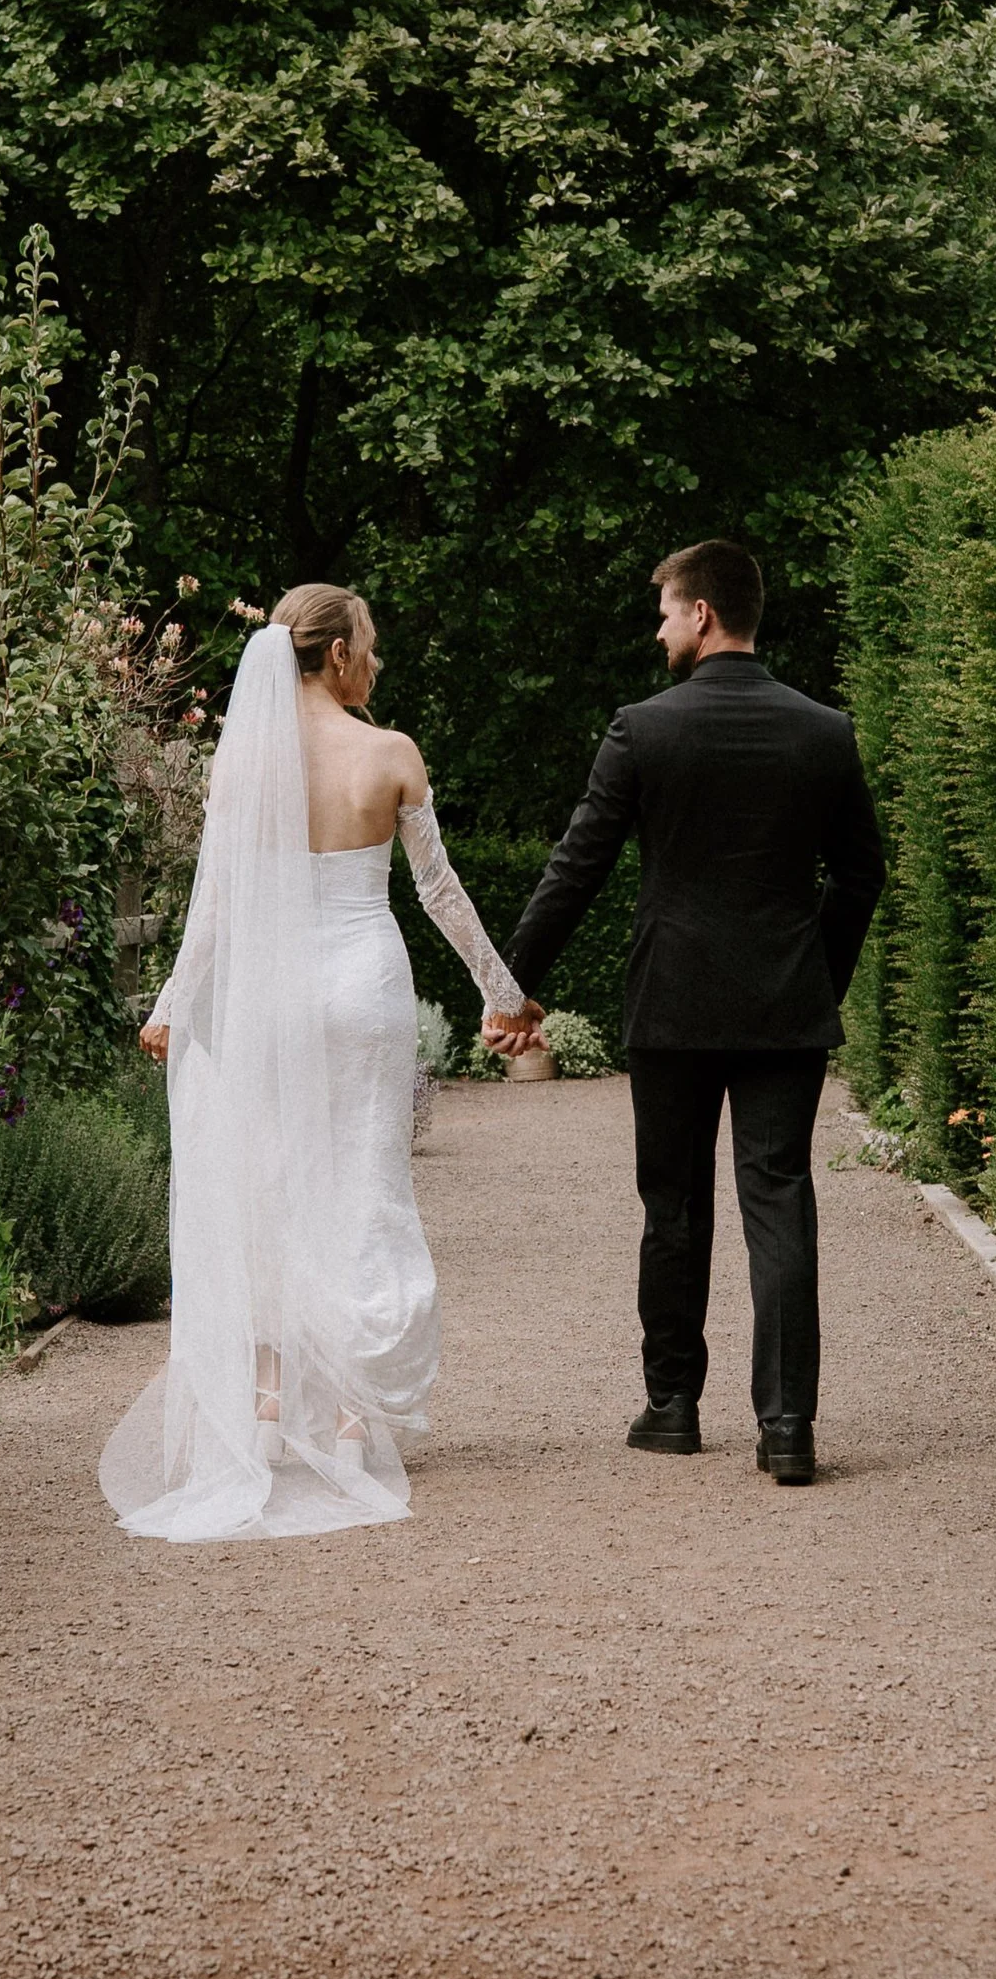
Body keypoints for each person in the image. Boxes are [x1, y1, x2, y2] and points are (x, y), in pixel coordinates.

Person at [101, 584, 527, 1544]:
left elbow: (212, 904)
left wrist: (172, 1005)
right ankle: (350, 1400)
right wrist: (503, 994)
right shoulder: (390, 754)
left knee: (275, 1180)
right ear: (336, 657)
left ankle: (266, 1389)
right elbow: (442, 896)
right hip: (364, 989)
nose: (375, 665)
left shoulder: (245, 765)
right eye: (369, 648)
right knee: (363, 1180)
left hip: (275, 997)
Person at [489, 540, 885, 1487]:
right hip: (786, 1009)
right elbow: (862, 875)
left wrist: (512, 991)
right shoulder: (824, 731)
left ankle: (672, 1409)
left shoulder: (644, 730)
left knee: (673, 1208)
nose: (659, 626)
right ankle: (787, 1427)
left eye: (666, 610)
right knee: (778, 1202)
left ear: (703, 614)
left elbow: (574, 869)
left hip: (670, 1004)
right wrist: (815, 978)